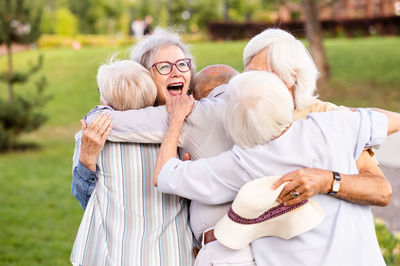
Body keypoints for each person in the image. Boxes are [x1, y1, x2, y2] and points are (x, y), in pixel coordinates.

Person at [72, 28, 392, 264]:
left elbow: (381, 189)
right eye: (164, 66)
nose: (251, 83)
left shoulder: (326, 120)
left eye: (183, 64)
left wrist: (327, 179)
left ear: (290, 77)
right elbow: (95, 197)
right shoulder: (232, 133)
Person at [153, 71, 400, 265]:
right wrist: (354, 119)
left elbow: (163, 175)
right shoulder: (333, 124)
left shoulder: (242, 163)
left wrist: (175, 119)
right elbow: (393, 120)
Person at [70, 60, 194, 265]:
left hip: (117, 254)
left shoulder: (90, 137)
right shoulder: (178, 132)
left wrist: (86, 161)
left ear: (106, 98)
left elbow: (85, 198)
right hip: (174, 253)